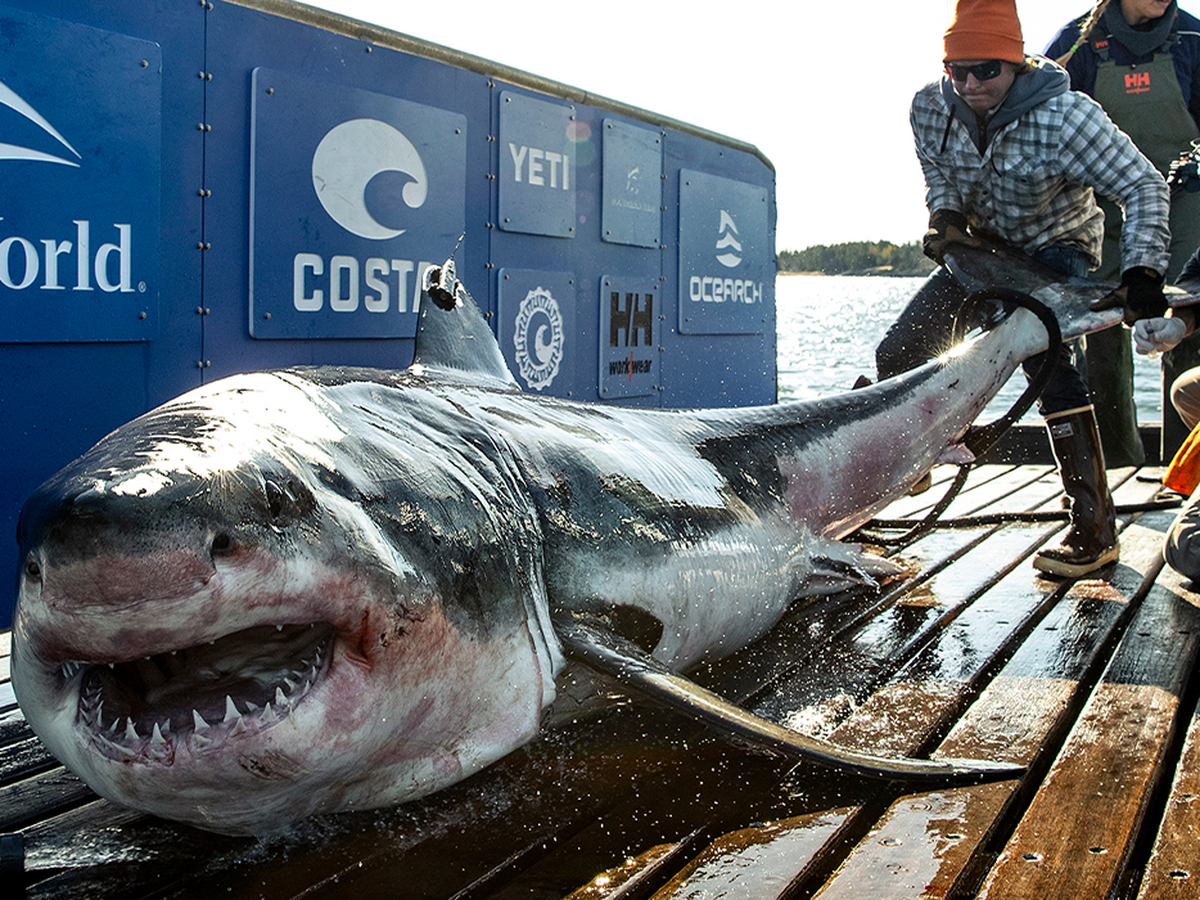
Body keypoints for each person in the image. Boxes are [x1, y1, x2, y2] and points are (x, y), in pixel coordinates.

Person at [877, 0, 1171, 578]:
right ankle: (905, 470)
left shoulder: (1068, 117)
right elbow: (936, 172)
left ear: (1016, 66)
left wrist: (1143, 271)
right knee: (898, 351)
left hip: (1056, 248)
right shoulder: (928, 107)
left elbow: (1142, 185)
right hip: (982, 250)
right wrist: (945, 216)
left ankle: (1093, 529)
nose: (969, 83)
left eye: (986, 69)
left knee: (1047, 367)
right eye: (957, 70)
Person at [1046, 0, 1200, 467]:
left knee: (1186, 322)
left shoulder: (1193, 40)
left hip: (1187, 201)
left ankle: (1183, 469)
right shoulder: (1077, 43)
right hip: (1101, 207)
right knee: (1103, 336)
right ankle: (1115, 464)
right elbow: (1047, 122)